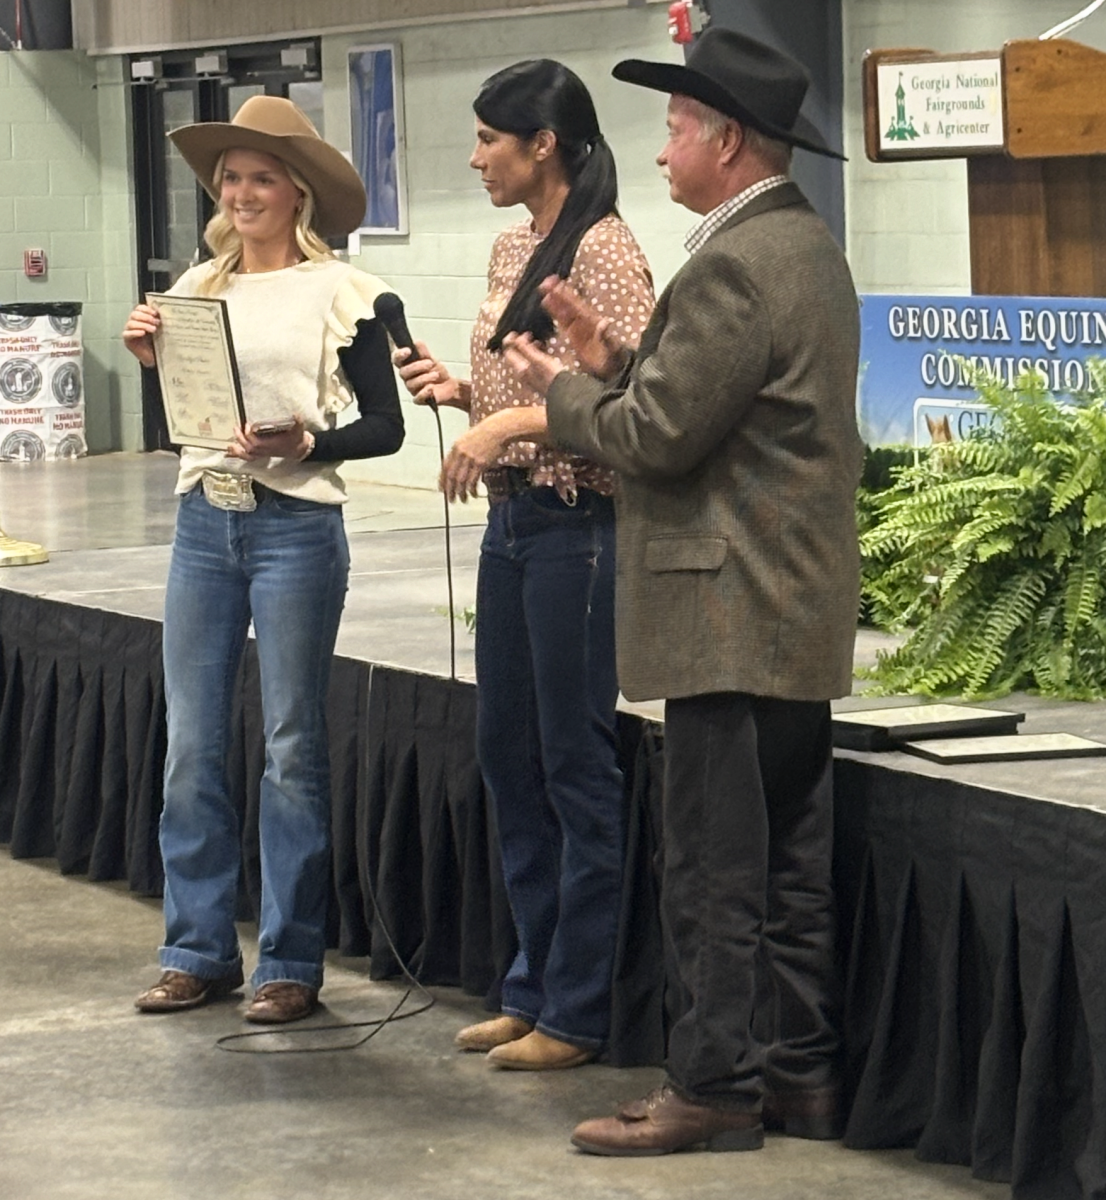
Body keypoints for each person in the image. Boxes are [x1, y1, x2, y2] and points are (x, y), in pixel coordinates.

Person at [503, 28, 862, 1151]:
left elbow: (658, 439)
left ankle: (708, 1090)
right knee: (789, 862)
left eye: (672, 128)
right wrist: (613, 360)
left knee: (711, 865)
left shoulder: (733, 260)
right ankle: (797, 1078)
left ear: (727, 139)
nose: (657, 151)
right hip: (788, 604)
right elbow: (725, 409)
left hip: (724, 607)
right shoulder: (801, 245)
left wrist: (566, 397)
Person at [394, 59, 654, 1069]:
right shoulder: (513, 243)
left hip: (577, 530)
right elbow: (520, 394)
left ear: (540, 143)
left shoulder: (608, 252)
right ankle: (528, 984)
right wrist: (463, 392)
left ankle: (578, 1011)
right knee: (507, 756)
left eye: (486, 142)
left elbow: (630, 418)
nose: (473, 160)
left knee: (574, 767)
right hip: (510, 527)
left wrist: (504, 419)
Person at [123, 96, 405, 1024]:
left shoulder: (348, 295)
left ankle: (289, 959)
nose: (242, 193)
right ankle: (195, 948)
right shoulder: (194, 290)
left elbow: (385, 426)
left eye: (260, 178)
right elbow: (195, 429)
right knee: (191, 743)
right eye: (230, 179)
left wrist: (308, 441)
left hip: (295, 528)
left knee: (291, 745)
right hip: (205, 520)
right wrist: (155, 364)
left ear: (299, 194)